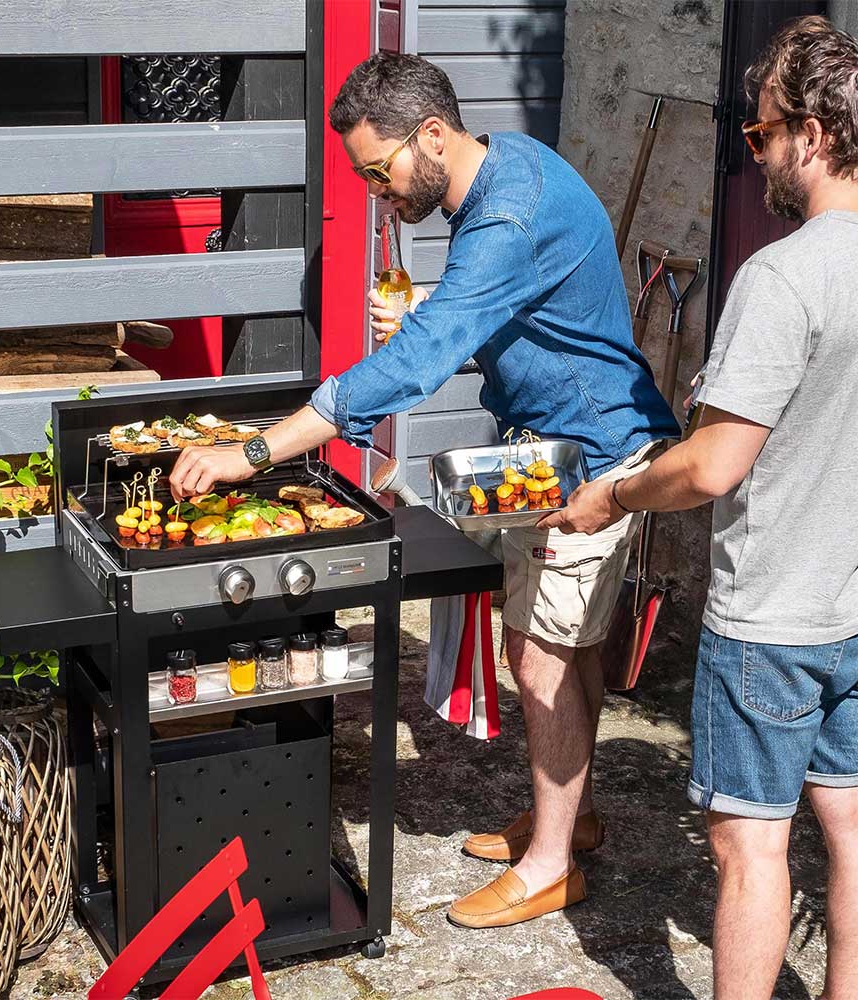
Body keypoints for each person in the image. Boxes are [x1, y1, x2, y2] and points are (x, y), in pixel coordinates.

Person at [170, 51, 678, 928]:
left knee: (543, 655)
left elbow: (418, 361)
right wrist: (433, 319)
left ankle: (552, 866)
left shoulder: (507, 213)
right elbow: (511, 312)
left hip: (596, 459)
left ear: (432, 134)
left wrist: (255, 451)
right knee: (573, 641)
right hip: (550, 449)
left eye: (381, 170)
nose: (378, 193)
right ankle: (575, 817)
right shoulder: (505, 164)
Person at [541, 15, 858, 999]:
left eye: (760, 135)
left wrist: (616, 494)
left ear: (809, 135)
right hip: (855, 606)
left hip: (771, 617)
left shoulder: (783, 277)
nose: (753, 155)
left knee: (750, 848)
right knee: (852, 837)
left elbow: (715, 464)